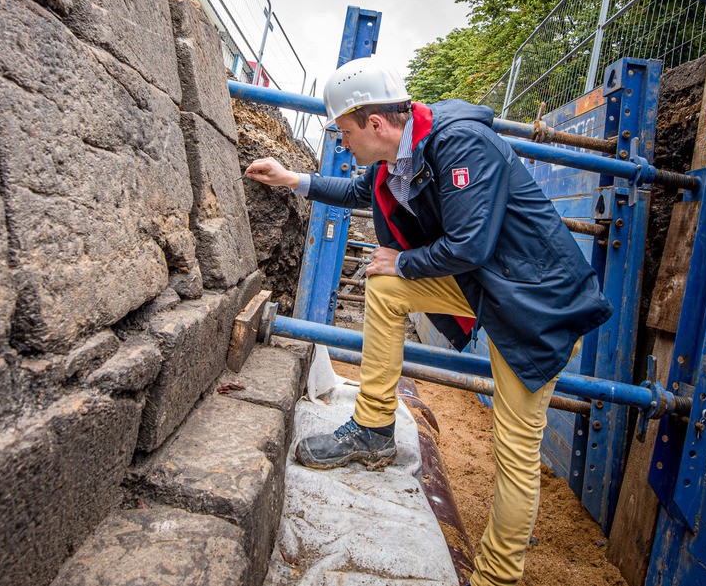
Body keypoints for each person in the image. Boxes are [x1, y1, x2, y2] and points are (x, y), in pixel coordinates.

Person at [244, 57, 612, 586]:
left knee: (515, 449)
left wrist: (406, 260)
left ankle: (495, 578)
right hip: (487, 284)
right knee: (387, 286)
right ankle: (373, 430)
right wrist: (294, 180)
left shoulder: (462, 144)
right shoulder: (401, 153)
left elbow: (469, 243)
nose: (342, 143)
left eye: (344, 132)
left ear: (375, 124)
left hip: (536, 303)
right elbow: (359, 193)